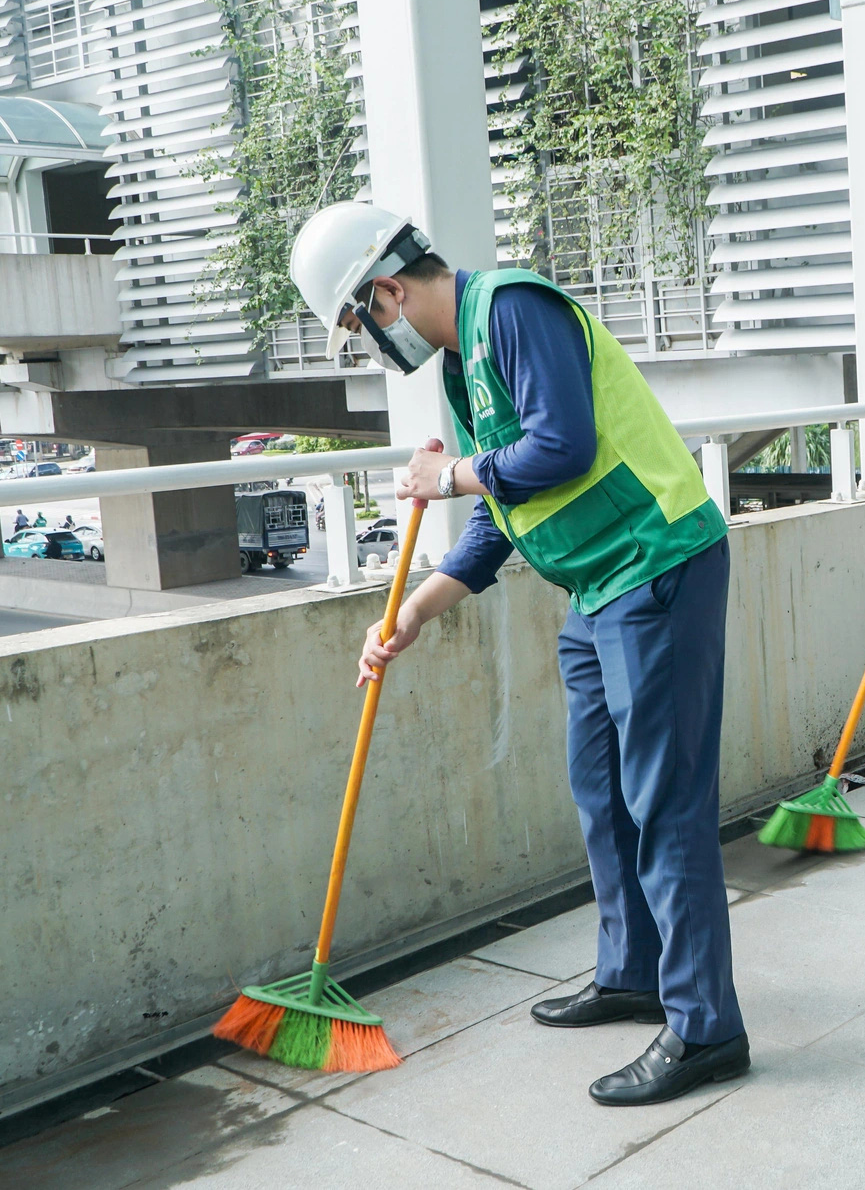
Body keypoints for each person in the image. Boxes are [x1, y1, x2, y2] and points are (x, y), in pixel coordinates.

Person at [290, 201, 748, 1106]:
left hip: (655, 565)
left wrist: (447, 475)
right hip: (595, 587)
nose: (372, 341)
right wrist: (418, 607)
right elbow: (504, 508)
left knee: (665, 803)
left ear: (386, 290)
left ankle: (705, 1029)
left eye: (360, 324)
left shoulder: (512, 311)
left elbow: (562, 447)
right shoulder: (467, 367)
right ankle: (633, 971)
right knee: (601, 790)